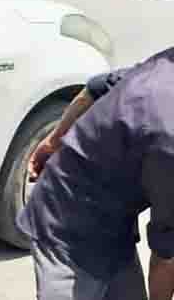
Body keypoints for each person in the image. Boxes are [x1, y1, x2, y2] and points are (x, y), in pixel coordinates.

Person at [22, 47, 174, 300]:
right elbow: (165, 258)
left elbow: (95, 88)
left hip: (116, 224)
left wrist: (53, 140)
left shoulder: (164, 67)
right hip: (65, 224)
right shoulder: (169, 140)